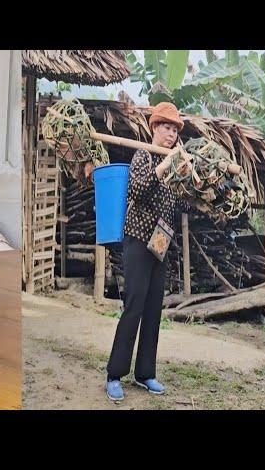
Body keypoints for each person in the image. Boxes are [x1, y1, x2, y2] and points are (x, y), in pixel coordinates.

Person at [105, 102, 191, 402]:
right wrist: (162, 168)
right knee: (134, 304)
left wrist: (190, 181)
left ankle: (145, 374)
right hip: (137, 240)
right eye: (166, 127)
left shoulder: (174, 164)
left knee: (154, 308)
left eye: (174, 130)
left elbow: (180, 205)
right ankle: (115, 374)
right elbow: (137, 191)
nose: (171, 133)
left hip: (160, 245)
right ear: (154, 128)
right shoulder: (143, 156)